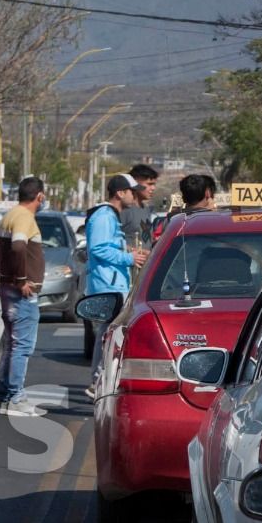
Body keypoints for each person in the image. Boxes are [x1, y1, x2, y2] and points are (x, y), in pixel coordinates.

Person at [85, 174, 151, 395]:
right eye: (132, 191)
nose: (135, 194)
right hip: (107, 284)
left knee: (109, 334)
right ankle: (98, 380)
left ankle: (98, 380)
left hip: (113, 283)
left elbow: (109, 246)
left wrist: (130, 253)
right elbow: (98, 249)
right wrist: (129, 259)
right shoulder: (104, 216)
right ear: (120, 193)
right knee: (110, 335)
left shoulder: (110, 216)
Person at [0, 176, 48, 417]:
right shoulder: (25, 217)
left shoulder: (9, 215)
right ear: (40, 196)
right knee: (22, 346)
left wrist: (7, 274)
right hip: (22, 293)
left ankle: (3, 397)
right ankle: (15, 398)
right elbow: (18, 246)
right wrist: (22, 279)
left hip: (6, 288)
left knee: (12, 345)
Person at [121, 164, 159, 248]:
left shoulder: (146, 209)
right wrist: (132, 251)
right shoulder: (124, 210)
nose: (153, 188)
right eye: (149, 184)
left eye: (154, 184)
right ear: (135, 183)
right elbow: (112, 242)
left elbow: (146, 239)